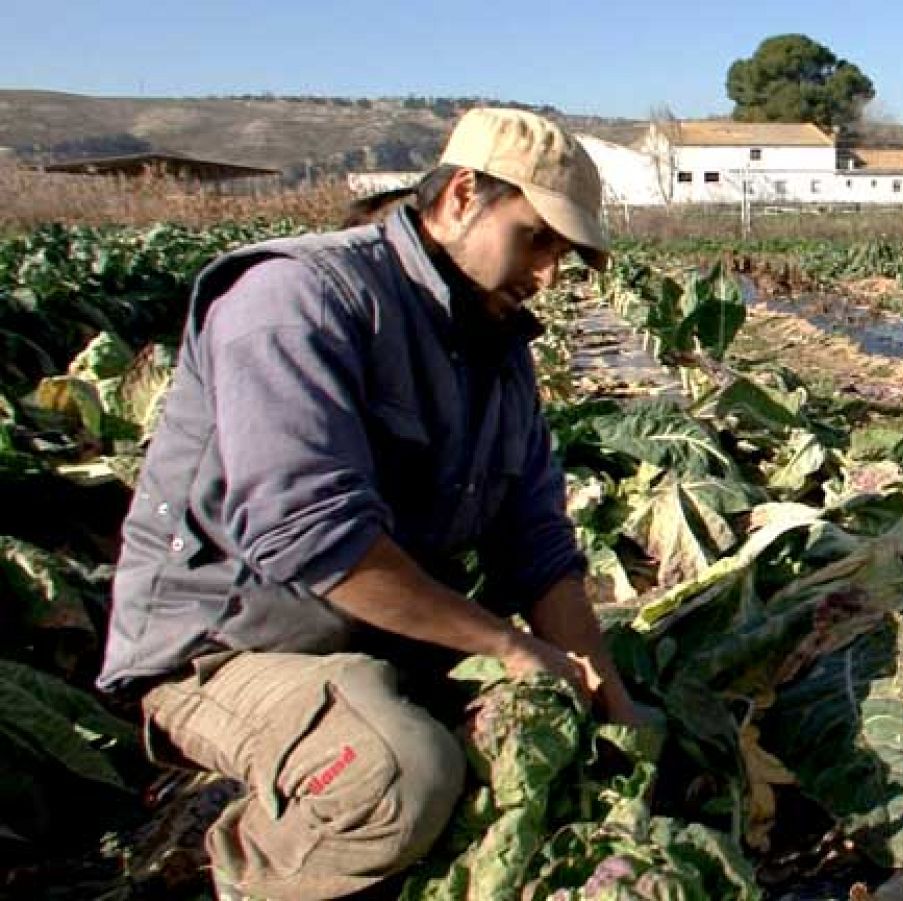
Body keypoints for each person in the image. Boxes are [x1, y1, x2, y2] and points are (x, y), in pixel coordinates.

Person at [97, 108, 638, 900]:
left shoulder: (496, 349)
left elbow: (537, 543)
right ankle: (223, 865)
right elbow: (312, 536)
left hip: (379, 639)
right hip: (228, 645)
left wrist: (610, 697)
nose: (550, 273)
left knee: (558, 744)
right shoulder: (298, 299)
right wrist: (511, 646)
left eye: (565, 253)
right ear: (461, 195)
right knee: (401, 777)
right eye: (538, 239)